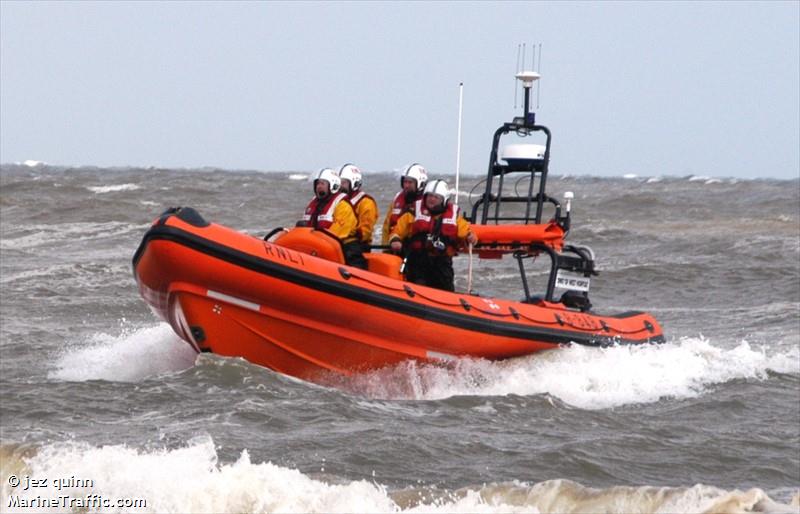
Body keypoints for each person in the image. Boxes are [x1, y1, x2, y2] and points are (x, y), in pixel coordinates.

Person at [388, 179, 477, 292]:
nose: (432, 199)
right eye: (429, 196)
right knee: (418, 287)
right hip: (418, 261)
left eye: (436, 197)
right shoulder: (414, 212)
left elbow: (466, 231)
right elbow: (397, 230)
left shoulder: (454, 217)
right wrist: (395, 240)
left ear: (443, 200)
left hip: (442, 262)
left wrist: (471, 237)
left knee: (446, 290)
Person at [299, 168, 367, 269]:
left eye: (322, 184)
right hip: (317, 249)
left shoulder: (343, 205)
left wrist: (317, 245)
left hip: (346, 251)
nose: (319, 187)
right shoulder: (314, 204)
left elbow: (336, 234)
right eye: (317, 184)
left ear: (333, 185)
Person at [381, 163, 428, 245]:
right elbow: (387, 226)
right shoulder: (397, 199)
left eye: (410, 183)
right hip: (395, 243)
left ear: (420, 184)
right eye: (405, 182)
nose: (406, 185)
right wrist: (385, 248)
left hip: (417, 248)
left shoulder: (428, 203)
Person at [337, 163, 378, 252]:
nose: (341, 186)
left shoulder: (366, 202)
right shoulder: (339, 201)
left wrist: (350, 234)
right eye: (340, 182)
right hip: (338, 243)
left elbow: (366, 229)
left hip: (357, 246)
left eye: (344, 183)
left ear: (354, 183)